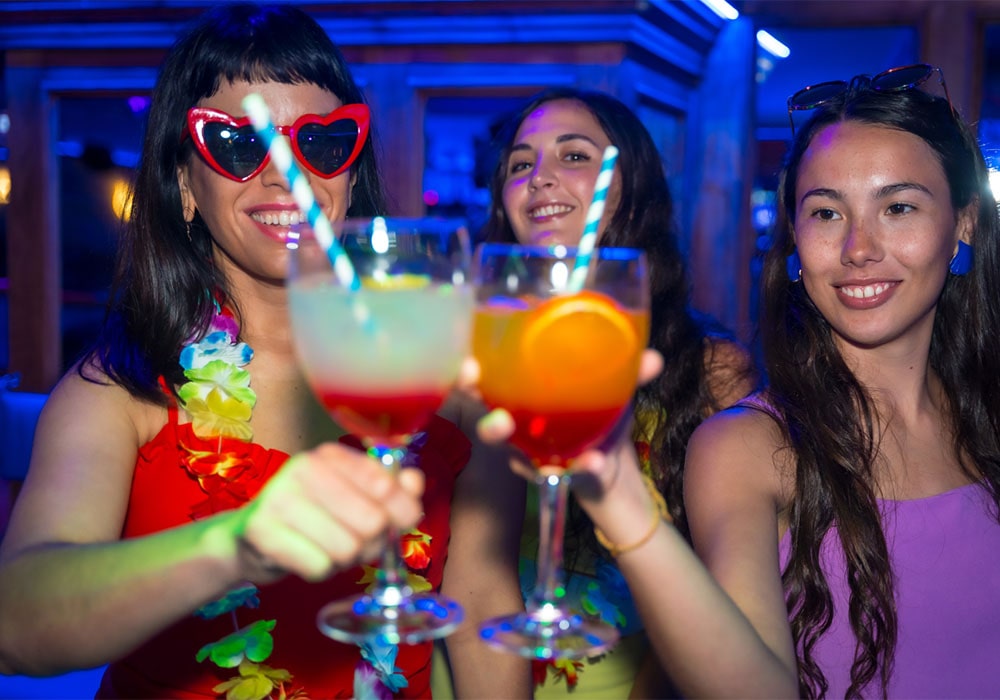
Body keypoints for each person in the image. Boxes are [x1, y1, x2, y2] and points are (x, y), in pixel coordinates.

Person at [0, 4, 529, 699]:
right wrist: (233, 549)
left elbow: (482, 610)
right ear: (186, 186)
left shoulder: (441, 378)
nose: (286, 176)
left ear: (348, 177)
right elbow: (15, 625)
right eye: (242, 145)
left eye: (325, 143)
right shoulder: (119, 390)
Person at [481, 65, 1000, 698]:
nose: (859, 247)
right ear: (793, 241)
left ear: (963, 224)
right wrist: (620, 496)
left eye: (897, 207)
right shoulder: (748, 447)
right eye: (826, 213)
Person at [476, 87, 757, 697]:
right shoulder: (475, 353)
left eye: (574, 156)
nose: (541, 178)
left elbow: (715, 586)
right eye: (520, 165)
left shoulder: (710, 370)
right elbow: (472, 564)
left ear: (631, 186)